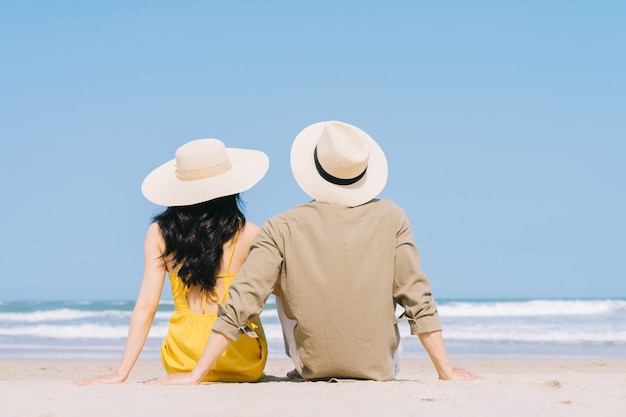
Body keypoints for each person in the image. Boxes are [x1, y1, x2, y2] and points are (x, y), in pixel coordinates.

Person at [149, 121, 480, 384]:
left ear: (315, 169)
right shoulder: (393, 216)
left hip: (311, 366)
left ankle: (305, 358)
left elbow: (243, 300)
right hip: (381, 367)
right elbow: (416, 295)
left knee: (276, 279)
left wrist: (196, 374)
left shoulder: (282, 225)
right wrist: (445, 371)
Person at [73, 138, 270, 384]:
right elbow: (285, 297)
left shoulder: (160, 233)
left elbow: (147, 306)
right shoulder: (250, 233)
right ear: (232, 188)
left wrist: (121, 373)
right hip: (240, 357)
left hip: (182, 359)